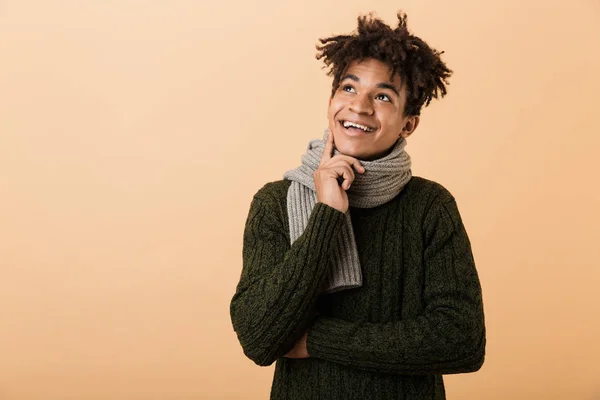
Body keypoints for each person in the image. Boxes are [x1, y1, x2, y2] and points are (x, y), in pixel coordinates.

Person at [230, 10, 486, 400]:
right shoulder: (275, 202)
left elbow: (461, 340)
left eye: (383, 96)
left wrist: (316, 340)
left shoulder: (429, 205)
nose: (360, 106)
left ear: (408, 123)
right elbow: (259, 337)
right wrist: (327, 214)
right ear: (331, 99)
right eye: (349, 89)